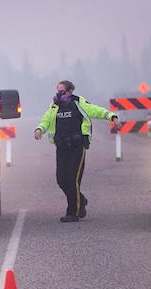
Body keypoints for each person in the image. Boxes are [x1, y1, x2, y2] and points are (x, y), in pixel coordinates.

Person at [33, 80, 121, 222]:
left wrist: (112, 117)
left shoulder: (79, 103)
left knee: (72, 179)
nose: (58, 94)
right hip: (61, 147)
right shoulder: (55, 106)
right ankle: (81, 199)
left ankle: (72, 212)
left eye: (61, 91)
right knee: (61, 180)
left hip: (77, 147)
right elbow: (46, 119)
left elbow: (96, 110)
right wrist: (39, 130)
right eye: (57, 90)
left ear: (69, 91)